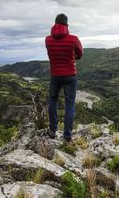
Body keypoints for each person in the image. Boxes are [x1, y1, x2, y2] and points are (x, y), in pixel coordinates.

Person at [45, 14, 83, 142]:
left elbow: (51, 54)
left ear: (55, 24)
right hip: (70, 75)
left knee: (53, 101)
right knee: (70, 104)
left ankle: (52, 130)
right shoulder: (73, 39)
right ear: (67, 25)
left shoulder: (47, 39)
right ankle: (67, 136)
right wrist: (73, 57)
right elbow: (80, 54)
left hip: (55, 75)